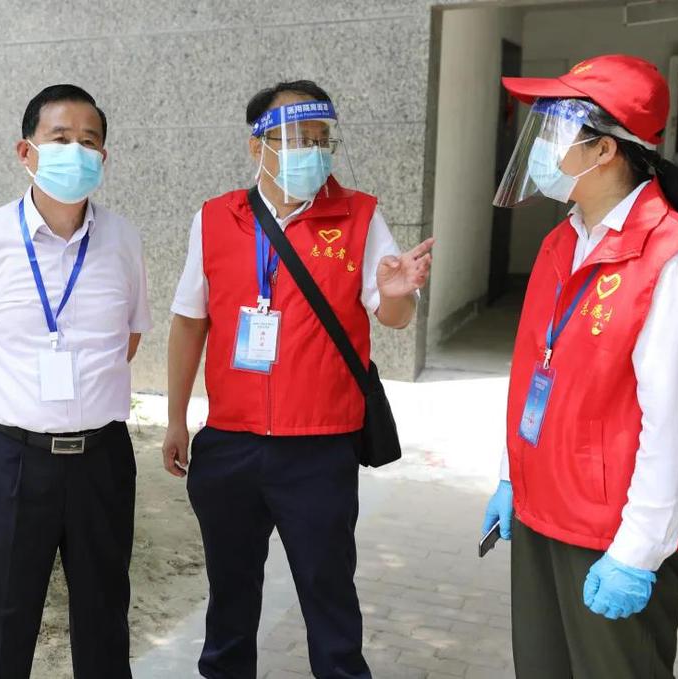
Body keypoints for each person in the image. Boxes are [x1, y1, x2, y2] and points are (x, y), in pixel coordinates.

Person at [162, 79, 433, 679]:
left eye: (319, 139)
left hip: (319, 446)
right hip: (230, 442)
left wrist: (397, 293)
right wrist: (177, 418)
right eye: (294, 139)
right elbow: (188, 322)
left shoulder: (359, 215)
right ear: (256, 147)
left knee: (327, 592)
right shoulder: (215, 219)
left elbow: (392, 314)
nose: (310, 151)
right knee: (230, 594)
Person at [481, 55, 678, 677]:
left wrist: (638, 553)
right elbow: (539, 376)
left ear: (605, 150)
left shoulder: (672, 264)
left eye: (555, 132)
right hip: (541, 512)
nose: (541, 148)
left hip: (609, 539)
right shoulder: (563, 240)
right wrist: (513, 475)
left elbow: (674, 430)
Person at [0, 84, 151, 679]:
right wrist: (13, 407)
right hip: (13, 461)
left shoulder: (124, 240)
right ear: (25, 151)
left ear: (103, 158)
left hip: (103, 461)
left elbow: (129, 338)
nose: (75, 151)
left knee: (105, 616)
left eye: (89, 141)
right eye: (60, 138)